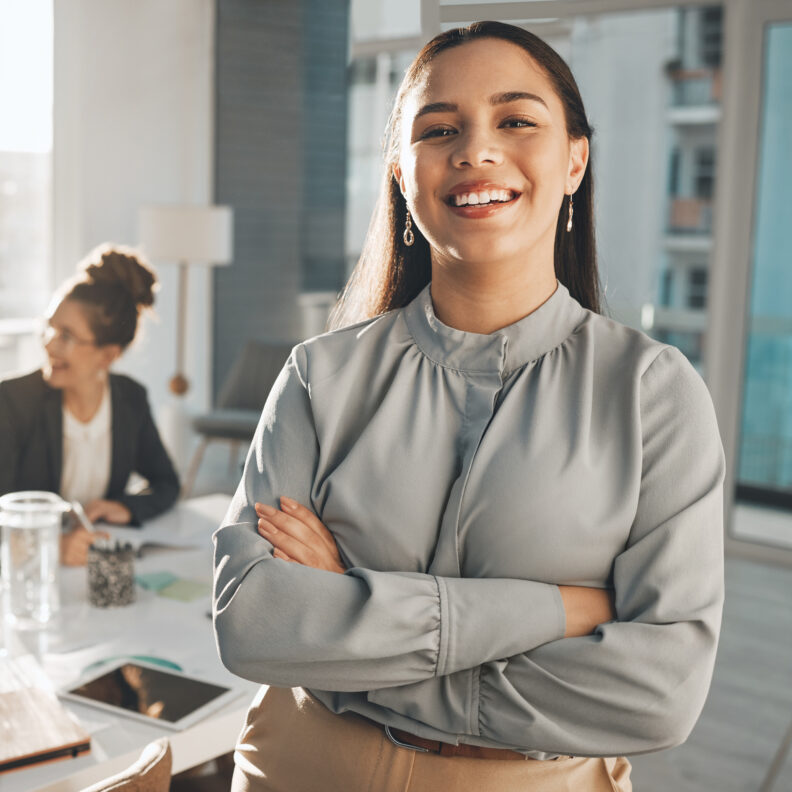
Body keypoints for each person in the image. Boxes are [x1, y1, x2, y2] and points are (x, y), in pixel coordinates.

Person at [213, 21, 725, 792]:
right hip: (300, 766)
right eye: (439, 128)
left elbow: (659, 696)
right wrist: (557, 610)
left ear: (575, 159)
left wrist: (347, 627)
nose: (475, 150)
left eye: (515, 120)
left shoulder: (653, 392)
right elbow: (254, 626)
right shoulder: (320, 375)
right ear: (400, 169)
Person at [0, 244, 180, 565]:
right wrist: (50, 546)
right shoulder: (12, 401)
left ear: (108, 355)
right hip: (28, 574)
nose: (49, 343)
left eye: (67, 335)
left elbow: (167, 483)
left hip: (94, 564)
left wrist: (126, 507)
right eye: (50, 326)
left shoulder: (130, 399)